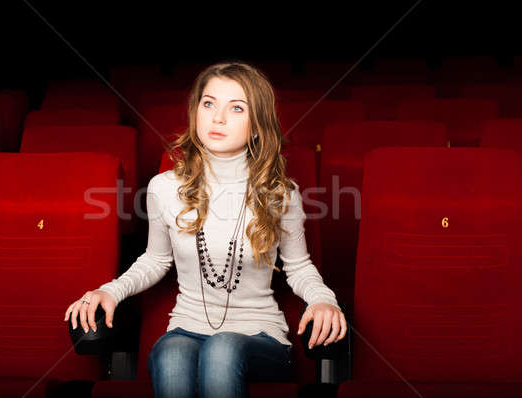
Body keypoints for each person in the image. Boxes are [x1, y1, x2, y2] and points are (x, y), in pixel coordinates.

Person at [64, 61, 347, 397]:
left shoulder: (281, 193)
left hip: (260, 337)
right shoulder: (163, 188)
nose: (218, 118)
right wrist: (110, 291)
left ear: (257, 125)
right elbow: (155, 260)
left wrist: (324, 301)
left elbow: (299, 268)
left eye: (236, 108)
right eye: (209, 103)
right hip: (187, 328)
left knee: (222, 348)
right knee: (170, 353)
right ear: (195, 112)